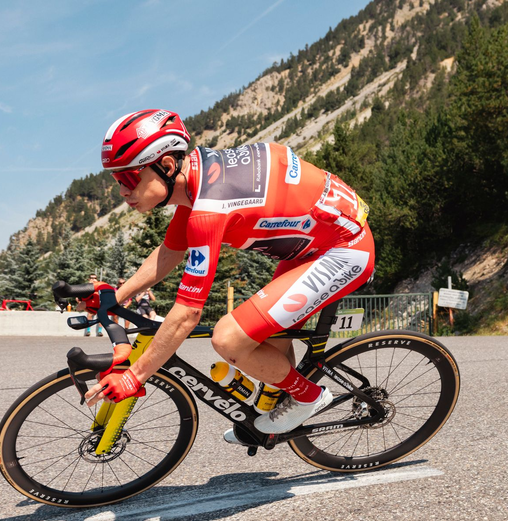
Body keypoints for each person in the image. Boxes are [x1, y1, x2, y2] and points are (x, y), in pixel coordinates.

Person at [85, 109, 375, 438]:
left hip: (344, 249)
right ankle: (274, 406)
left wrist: (134, 376)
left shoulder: (209, 208)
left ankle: (308, 397)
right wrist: (112, 296)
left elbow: (187, 315)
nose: (123, 192)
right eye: (117, 181)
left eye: (129, 178)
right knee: (262, 336)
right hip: (314, 245)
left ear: (166, 166)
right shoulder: (199, 177)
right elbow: (169, 253)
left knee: (228, 339)